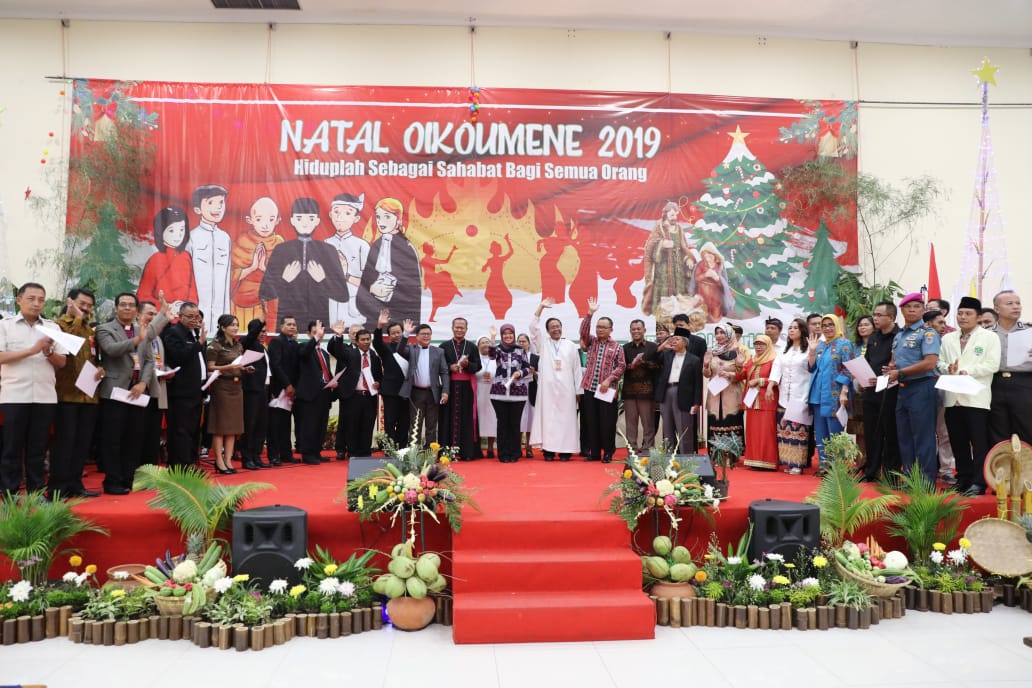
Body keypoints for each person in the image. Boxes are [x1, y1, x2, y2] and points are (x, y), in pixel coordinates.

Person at [0, 283, 67, 496]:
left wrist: (48, 352)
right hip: (14, 396)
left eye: (41, 299)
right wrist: (32, 350)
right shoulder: (5, 326)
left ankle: (36, 494)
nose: (36, 303)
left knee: (37, 449)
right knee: (11, 448)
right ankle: (10, 494)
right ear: (19, 300)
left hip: (45, 397)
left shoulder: (52, 328)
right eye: (31, 298)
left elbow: (62, 362)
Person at [938, 296, 1000, 496]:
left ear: (978, 317)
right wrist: (947, 368)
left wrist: (968, 371)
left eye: (968, 313)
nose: (962, 317)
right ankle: (963, 479)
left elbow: (992, 365)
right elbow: (939, 362)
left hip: (976, 398)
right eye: (960, 313)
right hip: (953, 397)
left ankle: (978, 482)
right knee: (958, 441)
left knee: (979, 443)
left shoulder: (990, 337)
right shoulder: (948, 338)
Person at [259, 197, 349, 330]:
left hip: (318, 321)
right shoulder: (281, 250)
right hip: (288, 321)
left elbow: (342, 295)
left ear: (317, 221)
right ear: (292, 220)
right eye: (300, 218)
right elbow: (265, 293)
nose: (305, 224)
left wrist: (323, 280)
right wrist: (284, 280)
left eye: (311, 218)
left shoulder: (328, 250)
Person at [96, 292, 152, 494]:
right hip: (115, 391)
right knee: (113, 439)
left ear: (136, 310)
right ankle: (112, 481)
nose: (127, 308)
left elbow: (149, 360)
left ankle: (130, 478)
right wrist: (137, 340)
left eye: (131, 305)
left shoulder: (141, 329)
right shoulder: (104, 328)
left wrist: (143, 382)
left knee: (134, 438)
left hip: (137, 391)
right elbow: (111, 349)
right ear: (116, 308)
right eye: (123, 304)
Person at [50, 288, 103, 499]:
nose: (86, 309)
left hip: (89, 394)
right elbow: (68, 346)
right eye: (82, 304)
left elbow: (94, 356)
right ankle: (57, 488)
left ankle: (76, 484)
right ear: (69, 302)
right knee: (65, 442)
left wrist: (100, 367)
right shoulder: (58, 326)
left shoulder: (90, 330)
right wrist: (79, 319)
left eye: (89, 305)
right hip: (66, 394)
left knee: (82, 443)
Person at [886, 292, 941, 485]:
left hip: (922, 387)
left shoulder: (928, 333)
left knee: (923, 437)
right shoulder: (899, 335)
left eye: (917, 306)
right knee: (905, 437)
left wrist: (900, 372)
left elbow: (930, 363)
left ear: (923, 310)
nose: (912, 310)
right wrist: (891, 369)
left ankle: (925, 483)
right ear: (901, 310)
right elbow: (896, 361)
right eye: (908, 307)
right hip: (903, 389)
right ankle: (910, 480)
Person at [357, 197, 422, 329]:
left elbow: (412, 289)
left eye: (387, 217)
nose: (381, 221)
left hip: (399, 318)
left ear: (398, 220)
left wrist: (390, 291)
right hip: (374, 316)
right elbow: (366, 280)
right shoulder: (376, 245)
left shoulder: (406, 249)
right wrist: (371, 289)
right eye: (378, 217)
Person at [529, 299, 581, 461]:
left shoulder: (571, 345)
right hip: (547, 391)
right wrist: (540, 308)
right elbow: (533, 328)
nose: (556, 329)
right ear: (547, 330)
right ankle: (549, 451)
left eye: (558, 326)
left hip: (567, 390)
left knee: (566, 420)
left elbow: (577, 369)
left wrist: (578, 391)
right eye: (552, 327)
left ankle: (566, 451)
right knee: (549, 420)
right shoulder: (543, 344)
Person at [579, 297, 626, 463]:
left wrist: (609, 380)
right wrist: (589, 314)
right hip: (589, 388)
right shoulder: (591, 342)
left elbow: (621, 366)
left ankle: (608, 452)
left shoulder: (617, 347)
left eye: (603, 327)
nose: (600, 330)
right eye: (598, 327)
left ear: (611, 329)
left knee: (607, 423)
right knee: (591, 421)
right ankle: (594, 453)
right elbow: (583, 332)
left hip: (607, 390)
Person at [807, 313, 855, 475]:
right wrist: (812, 352)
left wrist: (844, 392)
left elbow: (848, 369)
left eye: (831, 325)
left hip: (835, 395)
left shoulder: (845, 344)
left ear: (837, 325)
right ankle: (824, 467)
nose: (827, 328)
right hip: (818, 395)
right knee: (821, 434)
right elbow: (812, 368)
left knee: (835, 433)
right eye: (824, 325)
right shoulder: (820, 346)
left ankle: (837, 469)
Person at [161, 302, 207, 468]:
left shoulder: (194, 333)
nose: (194, 320)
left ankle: (190, 463)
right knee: (180, 430)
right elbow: (179, 356)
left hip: (196, 390)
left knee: (193, 430)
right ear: (180, 316)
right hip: (180, 391)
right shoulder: (174, 332)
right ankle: (180, 466)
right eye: (190, 316)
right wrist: (199, 343)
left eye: (197, 317)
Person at [328, 324, 383, 458]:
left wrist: (378, 383)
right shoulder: (350, 353)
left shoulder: (374, 357)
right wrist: (339, 336)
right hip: (353, 396)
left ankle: (365, 452)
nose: (366, 342)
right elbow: (338, 351)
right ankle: (353, 452)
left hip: (369, 397)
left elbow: (379, 376)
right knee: (352, 426)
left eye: (368, 339)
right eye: (363, 339)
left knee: (367, 425)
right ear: (357, 342)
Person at [862, 301, 901, 482]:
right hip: (871, 389)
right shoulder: (873, 337)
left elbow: (899, 365)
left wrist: (889, 374)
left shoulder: (899, 336)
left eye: (879, 315)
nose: (875, 318)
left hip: (891, 390)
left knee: (890, 432)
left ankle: (891, 474)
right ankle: (871, 471)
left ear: (891, 317)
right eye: (874, 315)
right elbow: (868, 360)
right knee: (871, 432)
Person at [232, 196, 285, 328]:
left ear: (278, 220)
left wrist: (263, 268)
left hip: (271, 304)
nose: (265, 225)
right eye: (259, 219)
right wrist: (252, 267)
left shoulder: (280, 244)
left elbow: (284, 280)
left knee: (268, 337)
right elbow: (229, 276)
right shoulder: (242, 241)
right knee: (245, 337)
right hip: (243, 304)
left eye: (271, 219)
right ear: (250, 220)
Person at [988, 290, 1032, 445]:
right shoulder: (986, 334)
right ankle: (1001, 461)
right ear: (997, 309)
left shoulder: (1029, 331)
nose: (1016, 307)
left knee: (1027, 428)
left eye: (1018, 303)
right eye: (1010, 303)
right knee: (997, 430)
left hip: (1024, 383)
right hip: (994, 383)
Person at [205, 314, 247, 474]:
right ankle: (219, 460)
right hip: (221, 387)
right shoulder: (214, 345)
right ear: (223, 327)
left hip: (237, 387)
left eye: (237, 324)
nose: (235, 327)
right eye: (232, 325)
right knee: (220, 426)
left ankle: (228, 460)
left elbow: (239, 364)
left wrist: (246, 368)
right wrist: (228, 367)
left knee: (233, 427)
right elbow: (210, 367)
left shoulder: (238, 345)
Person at [486, 324, 532, 463]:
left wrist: (520, 373)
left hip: (518, 393)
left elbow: (527, 368)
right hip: (499, 393)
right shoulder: (498, 349)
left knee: (515, 423)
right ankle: (503, 453)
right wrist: (492, 338)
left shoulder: (520, 350)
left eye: (510, 333)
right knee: (502, 423)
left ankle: (515, 453)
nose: (508, 336)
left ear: (514, 334)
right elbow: (491, 356)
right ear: (501, 335)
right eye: (505, 334)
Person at [187, 185, 232, 327]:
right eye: (211, 203)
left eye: (221, 202)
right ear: (197, 209)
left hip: (220, 305)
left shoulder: (225, 238)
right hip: (198, 303)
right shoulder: (192, 237)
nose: (218, 207)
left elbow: (227, 278)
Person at [138, 206, 198, 310]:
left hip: (184, 314)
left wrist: (184, 306)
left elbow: (193, 293)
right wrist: (166, 306)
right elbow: (143, 296)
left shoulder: (186, 256)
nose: (178, 235)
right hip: (161, 314)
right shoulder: (154, 260)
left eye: (182, 229)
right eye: (171, 230)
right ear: (160, 232)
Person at [294, 320, 337, 465]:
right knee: (309, 426)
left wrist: (333, 380)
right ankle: (307, 454)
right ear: (308, 334)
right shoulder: (303, 347)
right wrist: (316, 338)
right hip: (309, 395)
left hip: (324, 395)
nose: (319, 335)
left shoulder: (323, 353)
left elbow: (325, 372)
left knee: (321, 426)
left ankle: (317, 452)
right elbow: (304, 352)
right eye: (315, 333)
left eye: (321, 332)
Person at [399, 324, 450, 447]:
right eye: (423, 334)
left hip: (433, 393)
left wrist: (445, 391)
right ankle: (414, 453)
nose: (426, 336)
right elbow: (400, 349)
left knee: (431, 426)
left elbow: (444, 372)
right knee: (415, 425)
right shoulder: (411, 349)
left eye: (428, 334)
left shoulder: (439, 351)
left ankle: (429, 453)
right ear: (417, 336)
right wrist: (406, 334)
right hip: (416, 393)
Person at [439, 317, 482, 460]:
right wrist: (449, 367)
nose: (459, 330)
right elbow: (438, 366)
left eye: (462, 327)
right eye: (457, 327)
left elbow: (478, 366)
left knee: (467, 419)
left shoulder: (472, 347)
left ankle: (467, 452)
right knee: (447, 419)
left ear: (466, 329)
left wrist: (467, 365)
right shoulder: (444, 346)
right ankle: (446, 452)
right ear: (452, 328)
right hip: (449, 388)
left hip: (466, 389)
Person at [654, 327, 703, 452]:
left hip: (684, 395)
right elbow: (651, 358)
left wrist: (697, 402)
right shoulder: (666, 355)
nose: (674, 341)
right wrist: (662, 347)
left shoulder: (694, 360)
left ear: (685, 342)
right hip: (666, 393)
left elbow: (698, 383)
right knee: (667, 428)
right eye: (673, 339)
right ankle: (668, 458)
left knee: (684, 428)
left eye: (677, 339)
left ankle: (686, 458)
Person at [641, 201, 693, 318]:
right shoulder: (659, 228)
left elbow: (684, 248)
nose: (674, 217)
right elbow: (650, 251)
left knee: (680, 292)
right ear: (666, 214)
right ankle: (664, 313)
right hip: (663, 268)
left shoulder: (679, 228)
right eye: (672, 215)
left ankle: (681, 314)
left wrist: (688, 258)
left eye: (676, 215)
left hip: (678, 267)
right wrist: (661, 245)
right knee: (665, 295)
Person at [325, 193, 370, 323]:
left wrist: (346, 276)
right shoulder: (326, 243)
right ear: (330, 214)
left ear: (356, 218)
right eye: (336, 212)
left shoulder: (362, 245)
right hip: (330, 303)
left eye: (348, 213)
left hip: (354, 304)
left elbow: (369, 283)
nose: (340, 217)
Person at [137, 298, 171, 467]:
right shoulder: (137, 334)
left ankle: (151, 468)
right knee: (139, 433)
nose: (153, 317)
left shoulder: (158, 338)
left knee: (153, 433)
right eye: (149, 314)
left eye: (156, 314)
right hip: (140, 390)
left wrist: (167, 370)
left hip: (157, 390)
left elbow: (158, 360)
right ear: (138, 315)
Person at [702, 323, 745, 456]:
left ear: (729, 334)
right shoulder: (712, 352)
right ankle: (715, 455)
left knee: (731, 422)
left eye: (722, 333)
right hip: (715, 396)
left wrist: (733, 371)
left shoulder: (737, 352)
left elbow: (743, 375)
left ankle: (731, 456)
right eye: (717, 333)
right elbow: (707, 374)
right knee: (715, 422)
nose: (719, 335)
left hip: (731, 394)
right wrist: (706, 365)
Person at [373, 309, 414, 449]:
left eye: (399, 332)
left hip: (406, 392)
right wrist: (379, 326)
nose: (396, 335)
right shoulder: (385, 348)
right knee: (390, 421)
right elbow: (377, 343)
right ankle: (390, 449)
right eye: (393, 333)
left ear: (403, 333)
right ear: (389, 336)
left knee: (404, 421)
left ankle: (402, 448)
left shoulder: (410, 349)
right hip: (390, 391)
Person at [923, 309, 955, 484]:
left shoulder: (947, 342)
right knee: (925, 432)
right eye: (940, 322)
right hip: (923, 390)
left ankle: (946, 469)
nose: (944, 326)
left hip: (943, 390)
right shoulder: (920, 341)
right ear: (928, 324)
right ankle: (928, 468)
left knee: (944, 432)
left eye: (944, 322)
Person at [777, 318, 812, 475]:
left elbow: (812, 368)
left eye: (795, 328)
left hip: (801, 394)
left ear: (802, 330)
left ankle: (798, 464)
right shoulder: (785, 349)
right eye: (790, 327)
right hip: (784, 395)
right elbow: (777, 368)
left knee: (798, 432)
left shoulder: (808, 349)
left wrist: (813, 352)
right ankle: (788, 462)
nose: (791, 330)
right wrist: (771, 384)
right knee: (785, 430)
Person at [740, 334, 781, 470]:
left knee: (766, 432)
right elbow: (742, 375)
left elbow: (777, 378)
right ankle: (753, 460)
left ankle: (767, 462)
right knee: (753, 432)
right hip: (752, 401)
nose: (758, 347)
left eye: (762, 344)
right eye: (756, 344)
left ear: (768, 345)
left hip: (767, 401)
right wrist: (739, 365)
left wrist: (759, 381)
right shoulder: (752, 360)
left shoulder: (774, 360)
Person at [622, 319, 659, 455]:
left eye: (638, 329)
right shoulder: (625, 348)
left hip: (647, 391)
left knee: (648, 423)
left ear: (644, 330)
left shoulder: (653, 347)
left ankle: (647, 449)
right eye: (633, 329)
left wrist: (643, 363)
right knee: (630, 424)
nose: (636, 331)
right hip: (629, 391)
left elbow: (658, 366)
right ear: (630, 331)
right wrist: (631, 366)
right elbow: (620, 367)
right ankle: (631, 449)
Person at [266, 315, 300, 465]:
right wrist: (287, 385)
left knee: (286, 424)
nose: (292, 327)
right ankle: (273, 455)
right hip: (279, 389)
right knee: (275, 425)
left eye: (294, 324)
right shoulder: (276, 342)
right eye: (289, 324)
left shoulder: (294, 344)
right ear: (281, 327)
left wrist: (294, 387)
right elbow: (276, 365)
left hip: (291, 391)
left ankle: (286, 454)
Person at [238, 318, 270, 470]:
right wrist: (261, 321)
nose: (263, 334)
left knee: (261, 425)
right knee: (250, 425)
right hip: (251, 391)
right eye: (261, 331)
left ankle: (256, 456)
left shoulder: (263, 347)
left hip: (264, 390)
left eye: (265, 331)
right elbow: (250, 336)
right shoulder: (248, 343)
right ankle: (247, 458)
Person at [850, 315, 876, 469]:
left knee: (872, 429)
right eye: (860, 325)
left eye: (866, 324)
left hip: (874, 390)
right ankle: (859, 462)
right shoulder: (855, 347)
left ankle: (871, 463)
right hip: (857, 392)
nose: (862, 327)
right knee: (858, 429)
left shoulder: (877, 345)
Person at [694, 242, 733, 323]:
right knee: (703, 310)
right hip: (702, 290)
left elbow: (724, 283)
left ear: (714, 255)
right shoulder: (700, 264)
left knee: (715, 316)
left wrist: (717, 278)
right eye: (705, 256)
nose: (707, 258)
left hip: (715, 292)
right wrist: (705, 274)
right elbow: (696, 278)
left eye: (710, 255)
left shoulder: (720, 266)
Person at [421, 243, 461, 321]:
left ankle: (431, 318)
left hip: (430, 279)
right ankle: (453, 290)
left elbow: (423, 272)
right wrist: (452, 251)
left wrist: (426, 284)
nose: (433, 251)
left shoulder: (423, 260)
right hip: (432, 279)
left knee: (436, 298)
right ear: (429, 251)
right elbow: (446, 261)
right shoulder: (430, 260)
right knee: (446, 274)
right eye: (432, 249)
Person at [482, 235, 515, 320]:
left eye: (497, 249)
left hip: (498, 280)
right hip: (493, 280)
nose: (496, 251)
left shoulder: (500, 259)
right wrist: (484, 267)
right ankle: (498, 315)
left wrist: (507, 241)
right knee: (494, 298)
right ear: (492, 250)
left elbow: (511, 252)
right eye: (495, 249)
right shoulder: (491, 260)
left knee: (506, 297)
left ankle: (500, 315)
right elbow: (483, 269)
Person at [475, 337, 497, 458]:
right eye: (482, 343)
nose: (485, 344)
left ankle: (490, 448)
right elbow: (473, 372)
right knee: (478, 418)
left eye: (487, 342)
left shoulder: (495, 358)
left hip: (493, 391)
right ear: (478, 346)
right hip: (478, 390)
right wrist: (483, 373)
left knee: (492, 419)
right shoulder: (475, 358)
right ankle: (477, 447)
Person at [516, 333, 536, 457]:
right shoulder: (514, 357)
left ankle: (529, 446)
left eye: (524, 341)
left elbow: (542, 374)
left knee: (530, 420)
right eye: (520, 341)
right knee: (519, 419)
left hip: (532, 391)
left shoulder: (535, 357)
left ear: (529, 343)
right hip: (518, 391)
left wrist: (535, 373)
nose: (522, 343)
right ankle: (517, 446)